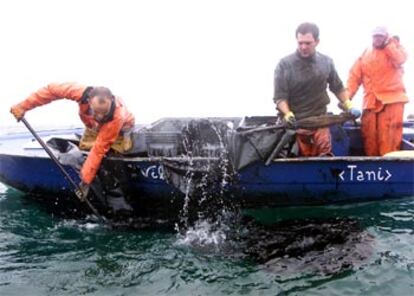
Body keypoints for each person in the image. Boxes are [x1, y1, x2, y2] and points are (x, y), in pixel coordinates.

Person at [10, 82, 135, 194]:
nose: (100, 117)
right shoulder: (80, 92)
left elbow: (99, 150)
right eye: (95, 112)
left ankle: (125, 140)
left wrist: (85, 183)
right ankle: (89, 171)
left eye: (104, 113)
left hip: (119, 130)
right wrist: (23, 106)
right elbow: (51, 90)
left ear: (111, 100)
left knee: (110, 156)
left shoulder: (117, 117)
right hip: (93, 128)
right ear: (89, 100)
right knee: (86, 152)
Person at [273, 22, 359, 157]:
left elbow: (337, 87)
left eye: (308, 43)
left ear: (317, 42)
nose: (303, 47)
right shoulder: (284, 65)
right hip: (296, 124)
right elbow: (280, 97)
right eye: (300, 43)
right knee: (298, 159)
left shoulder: (326, 62)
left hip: (320, 121)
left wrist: (349, 105)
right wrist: (287, 113)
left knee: (324, 157)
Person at [347, 26, 408, 156]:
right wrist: (346, 99)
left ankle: (390, 171)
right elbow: (354, 77)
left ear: (386, 36)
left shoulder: (395, 49)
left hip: (392, 103)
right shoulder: (365, 54)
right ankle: (373, 171)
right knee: (370, 141)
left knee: (388, 143)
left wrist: (389, 44)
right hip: (370, 104)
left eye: (381, 36)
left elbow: (401, 59)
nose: (377, 39)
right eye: (375, 36)